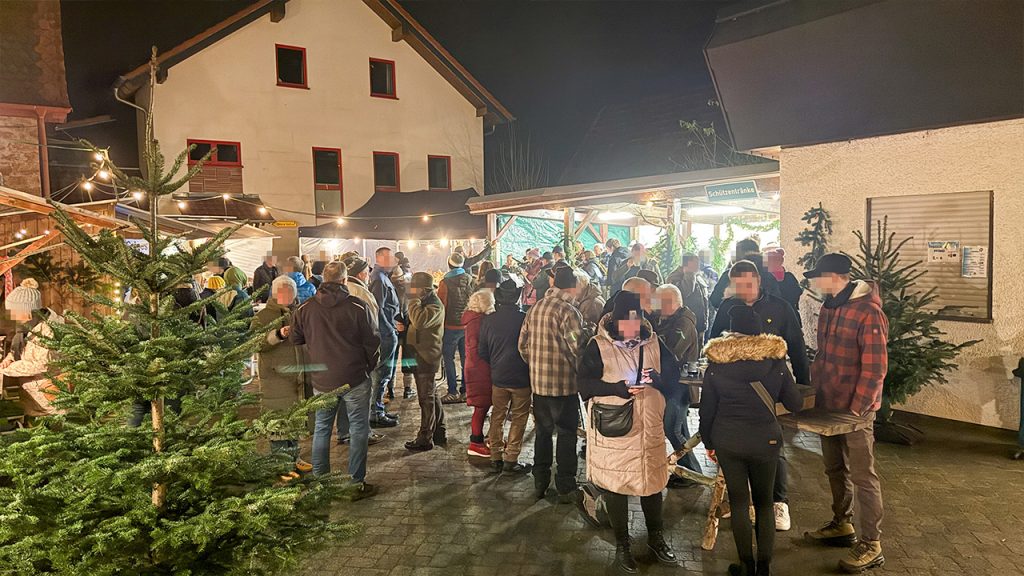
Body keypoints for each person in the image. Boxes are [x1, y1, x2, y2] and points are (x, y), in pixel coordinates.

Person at [577, 290, 678, 574]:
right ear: (615, 321)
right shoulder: (598, 345)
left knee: (652, 484)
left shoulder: (655, 343)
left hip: (649, 429)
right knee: (617, 488)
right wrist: (616, 389)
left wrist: (658, 380)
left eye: (636, 320)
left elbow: (673, 379)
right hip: (616, 431)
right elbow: (583, 384)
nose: (632, 327)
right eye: (626, 322)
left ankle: (656, 538)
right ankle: (622, 545)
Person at [700, 306, 804, 576]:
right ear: (761, 333)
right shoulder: (776, 363)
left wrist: (709, 443)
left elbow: (707, 410)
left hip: (728, 441)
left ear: (730, 333)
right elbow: (795, 403)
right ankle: (764, 568)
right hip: (765, 441)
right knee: (764, 503)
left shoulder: (716, 366)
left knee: (738, 503)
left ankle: (745, 565)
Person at [802, 254, 888, 574]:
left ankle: (872, 543)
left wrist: (858, 407)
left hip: (854, 410)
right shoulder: (829, 306)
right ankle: (842, 523)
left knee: (864, 476)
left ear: (835, 276)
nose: (815, 283)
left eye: (818, 277)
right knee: (834, 468)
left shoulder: (867, 311)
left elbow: (876, 365)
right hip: (828, 404)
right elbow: (824, 354)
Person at [709, 260, 809, 529]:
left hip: (770, 388)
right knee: (736, 445)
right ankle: (740, 499)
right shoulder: (728, 308)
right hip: (735, 390)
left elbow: (797, 347)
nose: (744, 290)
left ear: (758, 281)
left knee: (773, 446)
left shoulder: (780, 308)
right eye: (738, 285)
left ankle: (779, 503)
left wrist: (803, 382)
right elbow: (713, 341)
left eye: (748, 284)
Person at [290, 261, 378, 499]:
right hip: (355, 377)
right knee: (359, 429)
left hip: (322, 379)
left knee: (322, 429)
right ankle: (355, 483)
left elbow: (296, 339)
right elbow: (372, 341)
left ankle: (320, 483)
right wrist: (368, 367)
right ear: (344, 280)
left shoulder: (305, 307)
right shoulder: (357, 307)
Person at [518, 266, 584, 501]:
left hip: (539, 385)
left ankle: (540, 481)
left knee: (543, 433)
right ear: (573, 286)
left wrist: (535, 365)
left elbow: (522, 344)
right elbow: (576, 348)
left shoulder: (535, 308)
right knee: (567, 435)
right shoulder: (569, 312)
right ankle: (565, 484)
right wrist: (580, 372)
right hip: (564, 386)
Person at [252, 275, 311, 479]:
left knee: (293, 421)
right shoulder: (263, 317)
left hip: (297, 377)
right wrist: (277, 335)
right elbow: (255, 343)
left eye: (290, 291)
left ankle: (294, 458)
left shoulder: (299, 312)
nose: (287, 295)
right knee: (278, 423)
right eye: (283, 291)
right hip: (275, 378)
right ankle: (281, 465)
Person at [479, 278, 533, 474]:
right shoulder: (525, 318)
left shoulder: (489, 320)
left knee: (497, 416)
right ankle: (511, 458)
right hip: (522, 377)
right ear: (517, 298)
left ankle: (495, 456)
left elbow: (482, 350)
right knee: (519, 418)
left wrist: (495, 364)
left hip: (499, 376)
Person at [653, 284, 702, 478]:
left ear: (673, 302)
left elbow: (671, 351)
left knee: (672, 429)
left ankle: (690, 472)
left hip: (679, 386)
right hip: (673, 384)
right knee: (679, 429)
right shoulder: (669, 319)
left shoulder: (684, 323)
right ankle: (689, 472)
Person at [1, 278, 65, 417]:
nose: (13, 315)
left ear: (28, 310)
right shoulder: (24, 330)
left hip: (48, 399)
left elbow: (42, 364)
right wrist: (10, 357)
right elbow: (21, 351)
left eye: (14, 310)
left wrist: (8, 369)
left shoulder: (47, 331)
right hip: (33, 399)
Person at [405, 272, 448, 451]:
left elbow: (420, 321)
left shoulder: (435, 305)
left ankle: (425, 437)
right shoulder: (424, 301)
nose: (411, 291)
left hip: (426, 356)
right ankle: (439, 430)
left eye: (414, 288)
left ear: (423, 289)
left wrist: (413, 300)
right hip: (418, 354)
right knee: (430, 394)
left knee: (426, 398)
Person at [369, 247, 403, 427]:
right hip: (385, 333)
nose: (394, 261)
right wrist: (389, 328)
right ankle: (376, 412)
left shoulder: (382, 278)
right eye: (391, 258)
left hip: (388, 330)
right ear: (381, 258)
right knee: (382, 373)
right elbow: (378, 308)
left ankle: (378, 408)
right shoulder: (379, 279)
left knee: (384, 373)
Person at [462, 289, 495, 458]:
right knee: (481, 406)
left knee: (484, 404)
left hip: (475, 366)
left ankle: (488, 438)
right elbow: (478, 347)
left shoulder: (473, 319)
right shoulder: (478, 322)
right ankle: (476, 442)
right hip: (479, 368)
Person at [438, 252, 474, 404]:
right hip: (466, 325)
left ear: (449, 263)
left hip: (450, 326)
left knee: (449, 358)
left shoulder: (445, 282)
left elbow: (441, 305)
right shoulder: (470, 279)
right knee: (466, 359)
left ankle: (452, 391)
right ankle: (466, 391)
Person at [709, 239, 781, 309]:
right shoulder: (769, 275)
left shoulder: (729, 275)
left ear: (742, 254)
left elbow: (715, 300)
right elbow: (777, 301)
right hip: (766, 318)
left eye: (737, 252)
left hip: (735, 318)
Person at [666, 253, 710, 349]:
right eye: (696, 262)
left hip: (699, 325)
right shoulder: (675, 277)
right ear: (687, 263)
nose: (699, 265)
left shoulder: (697, 277)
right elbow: (685, 292)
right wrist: (689, 274)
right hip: (684, 326)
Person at [392, 252, 416, 399]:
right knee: (407, 358)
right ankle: (407, 389)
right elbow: (414, 307)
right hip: (407, 327)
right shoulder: (410, 289)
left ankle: (391, 389)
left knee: (392, 359)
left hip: (393, 327)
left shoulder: (388, 288)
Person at [764, 248, 803, 321]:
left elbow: (797, 292)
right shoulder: (767, 279)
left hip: (788, 316)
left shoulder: (788, 277)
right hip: (781, 316)